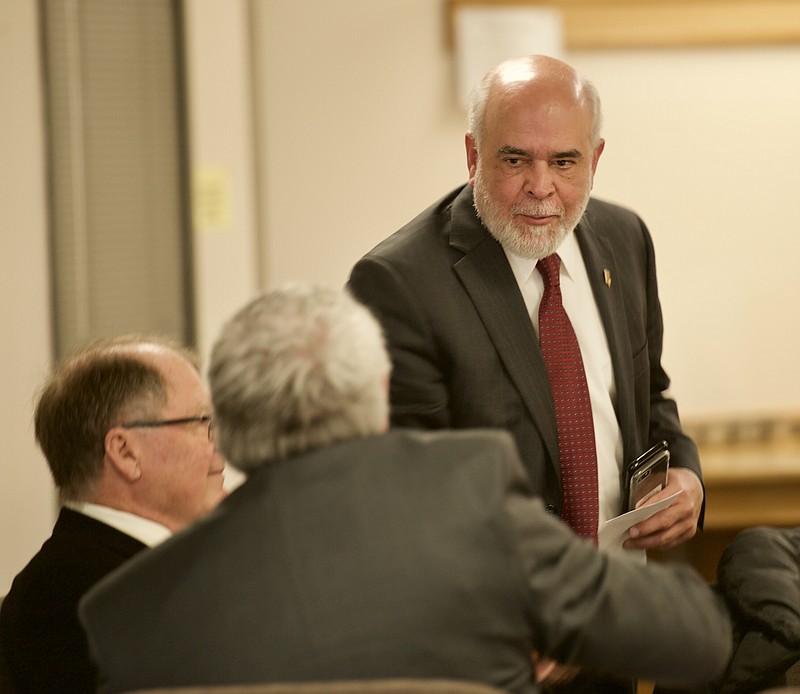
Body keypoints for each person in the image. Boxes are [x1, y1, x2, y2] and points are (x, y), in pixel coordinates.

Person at [79, 284, 732, 694]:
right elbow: (694, 637)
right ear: (382, 394)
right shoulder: (468, 496)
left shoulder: (126, 615)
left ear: (229, 419)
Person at [347, 54, 703, 553]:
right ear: (473, 155)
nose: (540, 187)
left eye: (563, 161)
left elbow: (651, 398)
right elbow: (404, 490)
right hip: (494, 610)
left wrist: (687, 473)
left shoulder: (626, 240)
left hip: (624, 592)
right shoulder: (399, 285)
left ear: (594, 160)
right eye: (515, 160)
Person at [0, 335, 227, 694]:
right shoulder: (65, 599)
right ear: (125, 452)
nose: (222, 444)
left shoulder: (173, 568)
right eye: (203, 423)